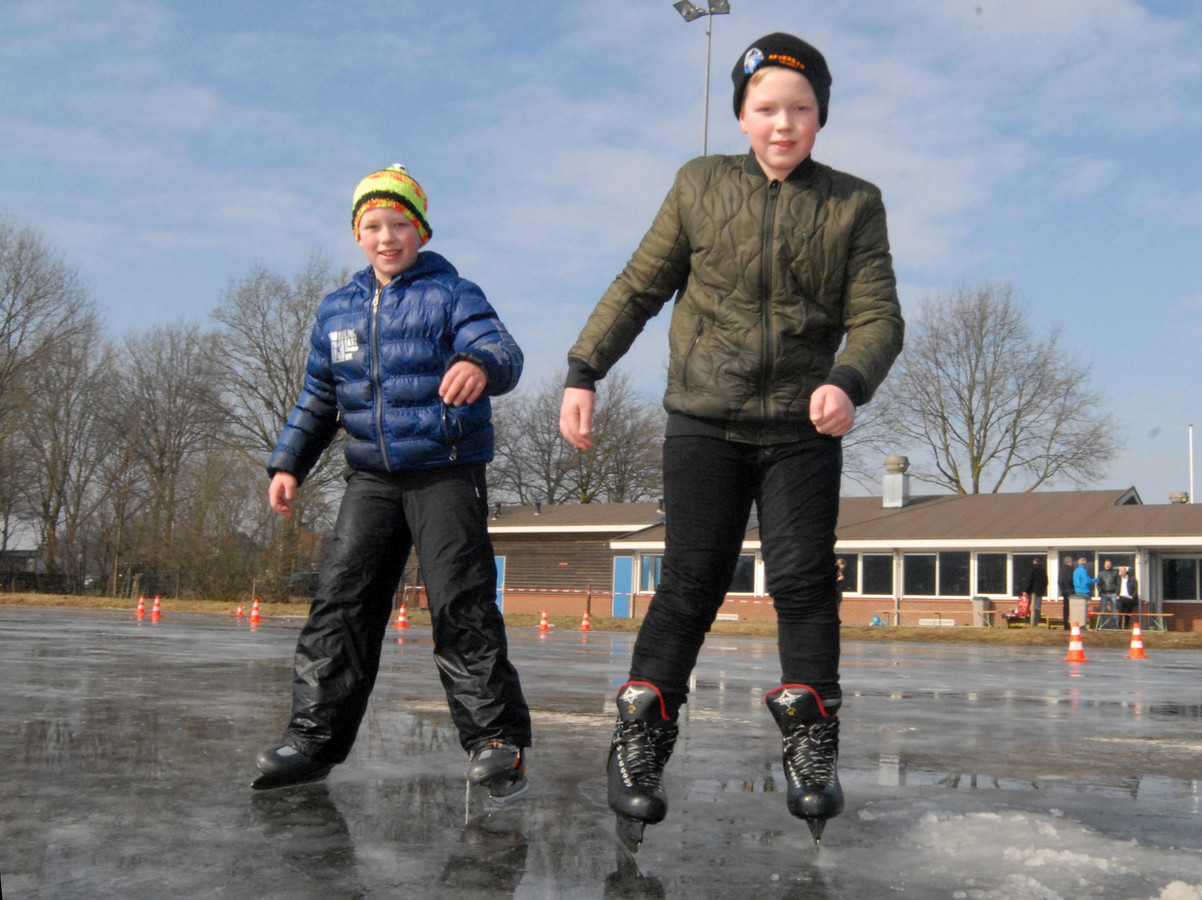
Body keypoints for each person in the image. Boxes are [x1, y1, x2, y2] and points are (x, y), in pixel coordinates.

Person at [559, 33, 903, 849]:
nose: (782, 125)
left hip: (800, 427)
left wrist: (846, 381)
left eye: (800, 110)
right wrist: (583, 368)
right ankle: (640, 742)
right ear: (743, 116)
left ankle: (811, 749)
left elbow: (877, 317)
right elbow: (639, 285)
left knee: (804, 582)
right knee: (689, 582)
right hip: (704, 421)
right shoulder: (699, 185)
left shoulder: (853, 203)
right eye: (765, 110)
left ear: (820, 117)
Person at [252, 166, 532, 798]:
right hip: (371, 478)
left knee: (460, 601)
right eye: (373, 226)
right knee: (340, 602)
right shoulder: (336, 311)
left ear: (420, 230)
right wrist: (288, 462)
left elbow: (503, 350)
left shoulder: (453, 292)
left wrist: (478, 362)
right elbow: (319, 398)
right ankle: (312, 738)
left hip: (444, 472)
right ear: (357, 235)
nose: (387, 237)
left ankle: (495, 740)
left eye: (399, 225)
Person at [1020, 557, 1048, 627]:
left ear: (1034, 562)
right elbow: (1046, 582)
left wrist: (1025, 590)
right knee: (1037, 607)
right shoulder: (1043, 570)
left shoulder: (1032, 569)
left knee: (1028, 607)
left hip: (1031, 591)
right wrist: (1042, 590)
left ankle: (1028, 621)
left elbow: (1029, 580)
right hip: (1039, 592)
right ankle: (1036, 622)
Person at [1071, 556, 1096, 628]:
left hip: (1077, 591)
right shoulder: (1084, 571)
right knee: (1085, 609)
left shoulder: (1075, 571)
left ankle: (1078, 623)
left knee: (1078, 609)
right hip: (1084, 592)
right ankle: (1083, 625)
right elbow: (1087, 581)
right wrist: (1096, 579)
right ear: (1085, 563)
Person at [1095, 559, 1120, 629]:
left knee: (1114, 611)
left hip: (1113, 594)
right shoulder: (1101, 573)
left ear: (1111, 565)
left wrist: (1117, 592)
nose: (1108, 566)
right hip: (1104, 594)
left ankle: (1114, 626)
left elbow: (1118, 583)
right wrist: (1100, 592)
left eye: (1109, 564)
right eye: (1106, 564)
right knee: (1103, 610)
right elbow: (1098, 584)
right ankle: (1102, 626)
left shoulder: (1115, 573)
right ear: (1104, 565)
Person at [1116, 565, 1139, 630]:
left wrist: (1132, 596)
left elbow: (1136, 589)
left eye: (1123, 571)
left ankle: (1126, 625)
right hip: (1120, 597)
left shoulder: (1132, 578)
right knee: (1120, 608)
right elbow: (1115, 587)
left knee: (1127, 609)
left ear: (1126, 571)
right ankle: (1119, 625)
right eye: (1120, 571)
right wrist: (1116, 594)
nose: (1121, 572)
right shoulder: (1118, 579)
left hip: (1128, 598)